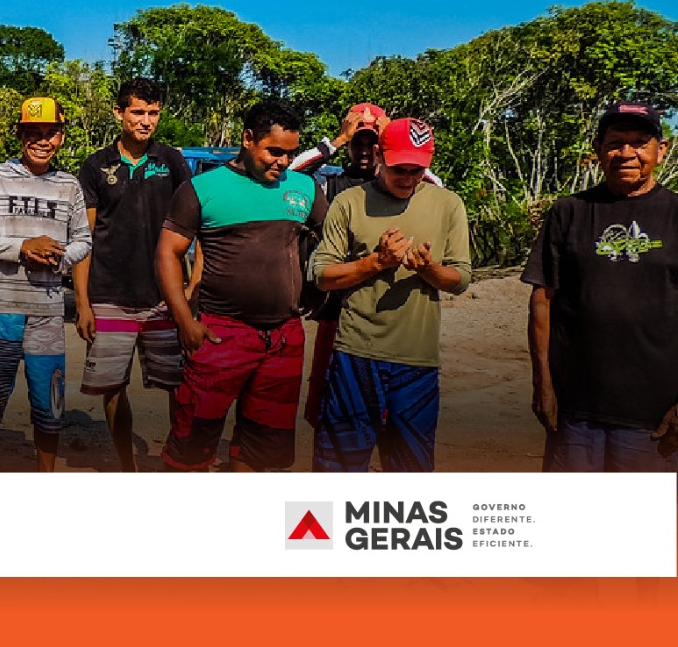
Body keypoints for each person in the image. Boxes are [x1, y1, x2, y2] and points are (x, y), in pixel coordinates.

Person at [156, 100, 327, 471]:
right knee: (190, 446)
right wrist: (185, 321)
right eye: (274, 151)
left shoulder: (305, 189)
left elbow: (330, 244)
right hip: (220, 335)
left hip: (283, 338)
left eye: (290, 153)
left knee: (262, 450)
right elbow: (167, 254)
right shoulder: (201, 189)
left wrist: (319, 293)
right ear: (248, 139)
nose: (283, 162)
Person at [523, 101, 678, 472]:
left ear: (662, 149)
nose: (626, 153)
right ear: (597, 150)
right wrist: (542, 382)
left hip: (655, 419)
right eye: (615, 142)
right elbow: (542, 299)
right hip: (574, 413)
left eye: (640, 142)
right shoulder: (569, 211)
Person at [310, 117, 471, 472]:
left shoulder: (448, 205)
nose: (408, 178)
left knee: (411, 466)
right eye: (400, 168)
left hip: (418, 361)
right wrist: (376, 263)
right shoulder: (349, 201)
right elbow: (321, 274)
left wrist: (429, 270)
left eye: (418, 170)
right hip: (356, 354)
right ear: (380, 155)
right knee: (339, 462)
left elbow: (461, 279)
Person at [0, 97, 91, 471]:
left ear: (62, 137)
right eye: (33, 132)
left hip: (48, 315)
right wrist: (22, 249)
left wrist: (60, 256)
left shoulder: (70, 186)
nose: (42, 141)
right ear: (19, 134)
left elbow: (84, 239)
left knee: (50, 406)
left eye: (50, 133)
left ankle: (44, 479)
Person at [73, 77, 190, 471]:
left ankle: (179, 463)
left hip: (164, 297)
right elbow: (84, 238)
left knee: (179, 385)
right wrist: (84, 303)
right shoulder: (95, 165)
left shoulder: (171, 161)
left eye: (153, 113)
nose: (145, 120)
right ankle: (127, 467)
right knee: (112, 387)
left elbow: (194, 224)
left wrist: (195, 283)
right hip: (109, 296)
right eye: (137, 112)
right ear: (118, 113)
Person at [290, 103, 389, 426]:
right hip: (335, 309)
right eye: (357, 142)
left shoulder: (398, 185)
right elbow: (291, 172)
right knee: (326, 400)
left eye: (371, 143)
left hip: (385, 311)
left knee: (383, 406)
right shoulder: (328, 183)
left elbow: (436, 185)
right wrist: (337, 139)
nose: (364, 150)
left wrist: (390, 140)